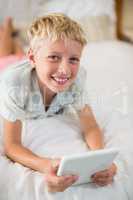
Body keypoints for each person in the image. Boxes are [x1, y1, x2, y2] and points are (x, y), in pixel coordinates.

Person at [0, 13, 117, 193]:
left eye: (73, 59)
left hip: (33, 67)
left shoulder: (76, 79)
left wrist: (102, 160)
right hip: (8, 68)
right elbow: (11, 145)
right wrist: (45, 165)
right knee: (5, 55)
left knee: (15, 52)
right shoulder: (13, 84)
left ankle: (14, 37)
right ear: (32, 59)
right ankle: (7, 27)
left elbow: (90, 126)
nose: (64, 70)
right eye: (54, 57)